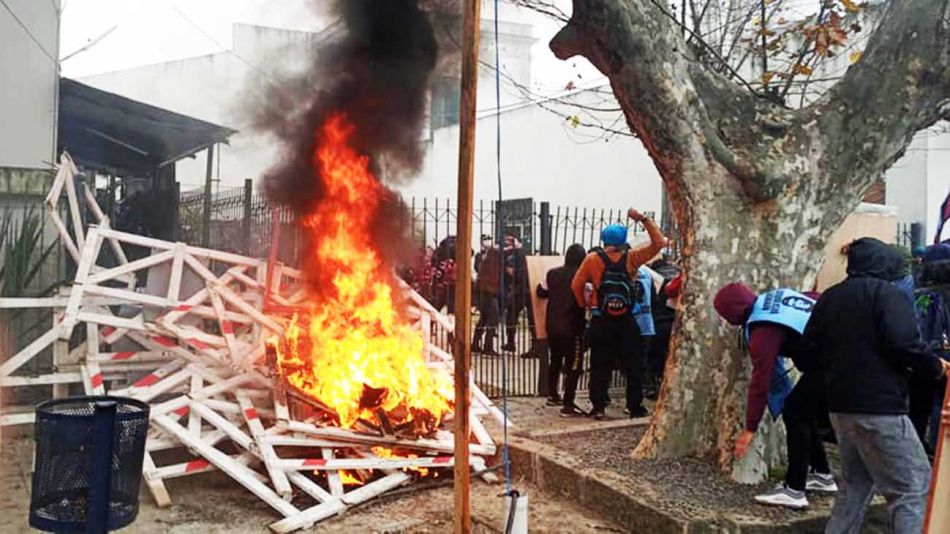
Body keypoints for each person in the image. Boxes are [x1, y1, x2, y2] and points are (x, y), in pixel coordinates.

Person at [798, 237, 950, 533]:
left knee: (855, 486)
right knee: (912, 486)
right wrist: (936, 366)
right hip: (881, 407)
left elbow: (806, 354)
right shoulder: (887, 294)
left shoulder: (831, 297)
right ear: (883, 262)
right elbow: (903, 345)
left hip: (840, 409)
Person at [713, 283, 835, 509]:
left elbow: (761, 381)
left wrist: (750, 428)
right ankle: (821, 474)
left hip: (832, 363)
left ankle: (794, 490)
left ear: (732, 314)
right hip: (840, 355)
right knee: (802, 413)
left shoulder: (762, 331)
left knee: (795, 413)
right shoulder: (774, 299)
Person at [571, 209, 666, 420]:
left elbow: (576, 284)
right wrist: (643, 219)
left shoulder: (592, 259)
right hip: (627, 319)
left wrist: (585, 304)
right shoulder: (632, 258)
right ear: (623, 240)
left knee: (599, 364)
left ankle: (598, 406)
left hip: (601, 318)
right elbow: (659, 243)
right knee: (633, 364)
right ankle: (634, 406)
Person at [536, 244, 588, 416]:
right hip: (573, 327)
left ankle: (552, 394)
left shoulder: (552, 274)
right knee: (574, 364)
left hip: (552, 325)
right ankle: (568, 403)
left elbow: (540, 292)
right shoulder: (582, 276)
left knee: (555, 360)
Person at [911, 243, 950, 455]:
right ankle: (939, 449)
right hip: (946, 357)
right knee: (943, 404)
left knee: (919, 405)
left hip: (920, 356)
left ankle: (917, 447)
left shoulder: (918, 292)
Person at [645, 257, 680, 399]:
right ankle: (665, 384)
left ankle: (651, 386)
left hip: (657, 323)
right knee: (668, 357)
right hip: (674, 323)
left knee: (651, 356)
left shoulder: (655, 280)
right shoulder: (676, 276)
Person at [502, 235, 535, 356]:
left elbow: (520, 273)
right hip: (528, 288)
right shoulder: (525, 253)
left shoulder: (518, 253)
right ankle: (534, 345)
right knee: (532, 318)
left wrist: (512, 273)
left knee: (511, 313)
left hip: (522, 289)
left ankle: (511, 343)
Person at [473, 235, 502, 356]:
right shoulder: (490, 255)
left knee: (484, 318)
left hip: (485, 291)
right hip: (489, 291)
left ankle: (475, 344)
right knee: (493, 318)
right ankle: (487, 346)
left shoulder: (487, 257)